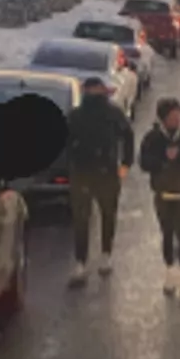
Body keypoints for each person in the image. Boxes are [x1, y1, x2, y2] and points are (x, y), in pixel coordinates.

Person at [65, 77, 134, 287]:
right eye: (91, 90)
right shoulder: (76, 115)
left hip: (106, 173)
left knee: (107, 214)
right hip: (84, 173)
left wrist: (125, 163)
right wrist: (72, 164)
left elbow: (127, 135)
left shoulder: (112, 113)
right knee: (81, 219)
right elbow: (66, 142)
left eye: (96, 90)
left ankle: (105, 254)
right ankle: (81, 260)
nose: (93, 93)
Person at [138, 97, 180, 302]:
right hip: (162, 195)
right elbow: (144, 162)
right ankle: (170, 274)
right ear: (163, 118)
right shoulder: (153, 138)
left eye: (179, 116)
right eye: (172, 117)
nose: (177, 120)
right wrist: (161, 160)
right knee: (167, 234)